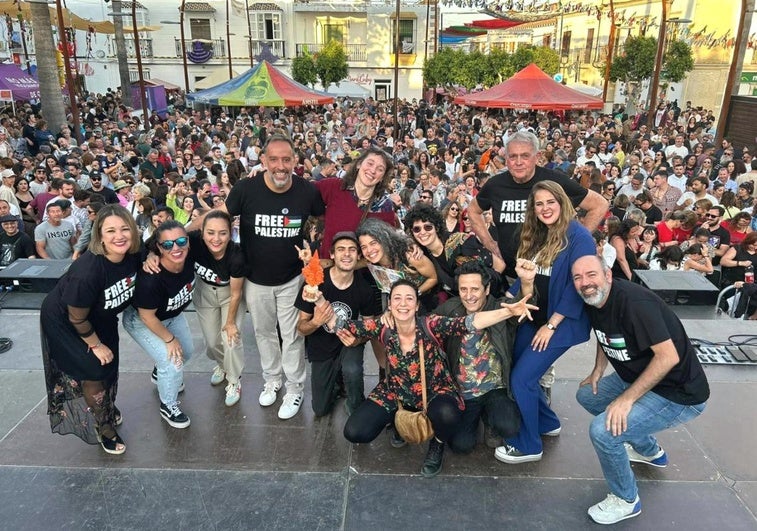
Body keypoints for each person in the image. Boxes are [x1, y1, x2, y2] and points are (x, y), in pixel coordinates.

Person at [340, 279, 536, 478]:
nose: (403, 303)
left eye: (409, 298)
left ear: (417, 305)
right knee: (355, 431)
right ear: (389, 304)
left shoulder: (429, 324)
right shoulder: (382, 327)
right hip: (396, 390)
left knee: (447, 415)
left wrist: (509, 311)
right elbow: (343, 324)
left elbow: (470, 322)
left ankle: (437, 443)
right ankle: (400, 422)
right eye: (397, 298)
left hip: (435, 389)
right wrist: (318, 300)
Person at [571, 255, 709, 525]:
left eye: (591, 275)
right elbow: (605, 333)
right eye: (578, 277)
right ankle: (648, 450)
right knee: (588, 395)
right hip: (637, 379)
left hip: (677, 393)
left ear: (608, 275)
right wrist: (598, 369)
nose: (585, 282)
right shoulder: (595, 299)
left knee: (603, 432)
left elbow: (668, 357)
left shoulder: (635, 304)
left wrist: (626, 400)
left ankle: (625, 500)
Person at [492, 181, 594, 464]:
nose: (545, 208)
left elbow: (580, 286)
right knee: (516, 366)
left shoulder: (579, 237)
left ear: (562, 203)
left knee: (522, 379)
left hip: (561, 323)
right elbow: (529, 279)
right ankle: (547, 422)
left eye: (551, 202)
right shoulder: (539, 235)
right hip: (534, 316)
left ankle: (528, 445)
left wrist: (551, 326)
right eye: (539, 204)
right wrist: (507, 301)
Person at [223, 134, 325, 420]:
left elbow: (319, 224)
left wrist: (313, 254)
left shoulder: (307, 191)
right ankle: (272, 380)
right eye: (274, 159)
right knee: (264, 334)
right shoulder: (245, 189)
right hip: (255, 280)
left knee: (292, 336)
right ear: (263, 160)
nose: (281, 166)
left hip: (293, 278)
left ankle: (294, 388)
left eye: (286, 159)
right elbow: (218, 219)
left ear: (295, 161)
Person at [40, 205, 142, 455]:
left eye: (124, 229)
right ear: (100, 236)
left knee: (111, 362)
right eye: (110, 231)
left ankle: (104, 406)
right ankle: (104, 425)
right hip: (68, 320)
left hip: (99, 314)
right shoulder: (88, 270)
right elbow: (76, 317)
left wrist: (150, 257)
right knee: (95, 368)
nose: (119, 236)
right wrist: (95, 345)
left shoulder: (134, 253)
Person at [469, 130, 607, 281]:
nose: (519, 162)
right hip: (510, 275)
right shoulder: (495, 185)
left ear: (537, 157)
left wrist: (575, 242)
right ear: (506, 159)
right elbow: (473, 210)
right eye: (513, 156)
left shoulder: (554, 181)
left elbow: (599, 204)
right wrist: (489, 242)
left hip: (550, 275)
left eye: (525, 156)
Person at [434, 261, 524, 455]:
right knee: (460, 445)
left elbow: (522, 305)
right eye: (463, 289)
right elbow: (426, 325)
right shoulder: (450, 309)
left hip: (495, 388)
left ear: (487, 288)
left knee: (509, 427)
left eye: (475, 289)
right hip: (464, 392)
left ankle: (490, 419)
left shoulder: (500, 307)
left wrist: (528, 281)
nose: (468, 296)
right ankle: (475, 419)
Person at [295, 231, 381, 416]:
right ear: (332, 255)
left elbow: (369, 327)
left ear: (358, 256)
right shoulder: (316, 282)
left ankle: (355, 403)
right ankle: (335, 382)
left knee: (352, 369)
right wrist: (316, 322)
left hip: (347, 342)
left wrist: (357, 341)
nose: (347, 254)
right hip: (321, 348)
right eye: (341, 250)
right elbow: (301, 328)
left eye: (352, 250)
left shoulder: (364, 288)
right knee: (320, 410)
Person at [123, 221, 196, 429]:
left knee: (187, 353)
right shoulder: (151, 279)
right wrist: (170, 340)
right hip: (143, 320)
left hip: (172, 315)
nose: (176, 248)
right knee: (173, 362)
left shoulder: (190, 254)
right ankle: (169, 405)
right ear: (158, 247)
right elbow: (147, 317)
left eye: (181, 241)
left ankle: (159, 373)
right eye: (168, 245)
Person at [314, 147, 398, 256]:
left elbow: (387, 248)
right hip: (327, 269)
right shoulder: (335, 187)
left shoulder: (384, 206)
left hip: (361, 272)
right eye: (370, 164)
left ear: (382, 177)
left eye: (380, 169)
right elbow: (303, 194)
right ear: (359, 164)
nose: (373, 171)